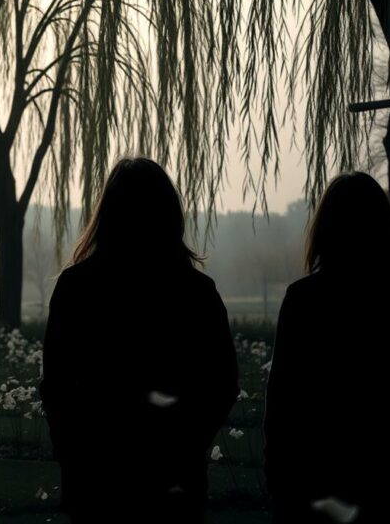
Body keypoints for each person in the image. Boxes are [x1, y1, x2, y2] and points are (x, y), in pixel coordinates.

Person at [39, 157, 238, 523]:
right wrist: (190, 443)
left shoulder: (77, 288)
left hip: (97, 477)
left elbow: (57, 385)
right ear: (169, 215)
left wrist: (72, 451)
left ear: (108, 215)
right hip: (175, 476)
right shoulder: (196, 292)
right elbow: (222, 383)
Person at [264, 172, 390, 524]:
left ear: (325, 230)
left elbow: (283, 401)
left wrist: (278, 479)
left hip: (315, 482)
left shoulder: (303, 302)